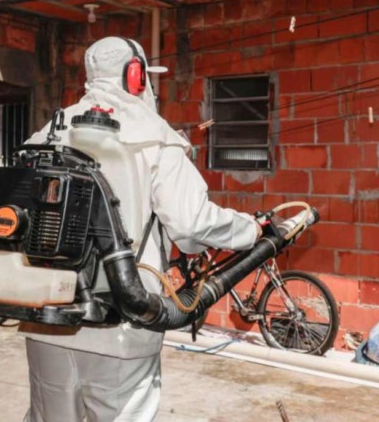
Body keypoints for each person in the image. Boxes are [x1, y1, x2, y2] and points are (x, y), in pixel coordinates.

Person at [20, 36, 262, 422]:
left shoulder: (48, 132)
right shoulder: (154, 135)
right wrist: (250, 231)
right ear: (135, 75)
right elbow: (191, 224)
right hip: (120, 327)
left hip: (46, 319)